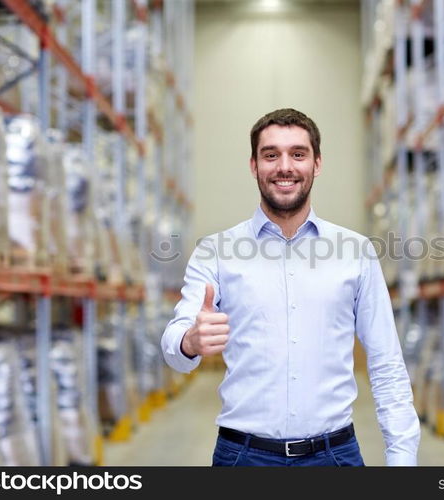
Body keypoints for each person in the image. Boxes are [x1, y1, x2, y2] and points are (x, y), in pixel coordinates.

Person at [161, 108, 420, 466]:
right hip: (243, 458)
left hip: (334, 457)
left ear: (317, 164)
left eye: (298, 154)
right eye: (271, 155)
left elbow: (386, 363)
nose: (285, 167)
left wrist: (402, 459)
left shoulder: (355, 253)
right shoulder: (216, 252)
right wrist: (190, 341)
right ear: (254, 165)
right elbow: (175, 349)